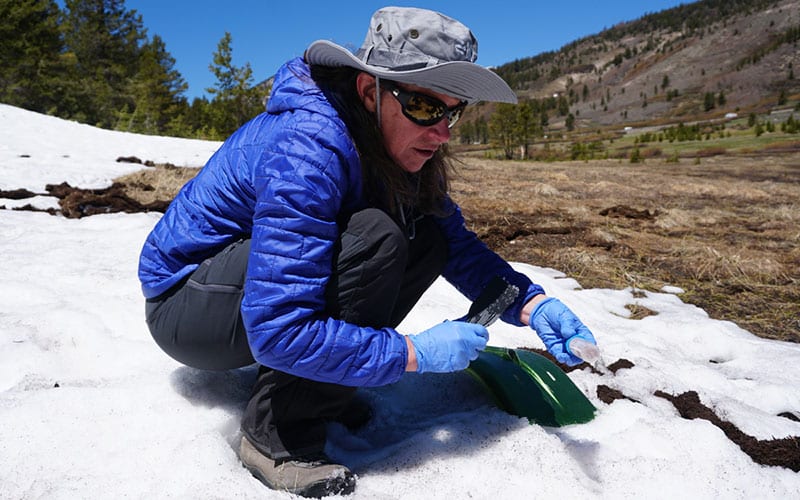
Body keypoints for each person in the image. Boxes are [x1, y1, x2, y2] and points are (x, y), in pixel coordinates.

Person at [138, 6, 596, 498]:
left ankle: (318, 389)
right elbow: (278, 329)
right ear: (368, 91)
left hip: (249, 297)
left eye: (452, 111)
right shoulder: (308, 147)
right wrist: (411, 355)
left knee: (426, 236)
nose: (441, 132)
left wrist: (528, 301)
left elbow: (453, 241)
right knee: (377, 236)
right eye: (423, 106)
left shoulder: (383, 140)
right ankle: (277, 436)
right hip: (187, 306)